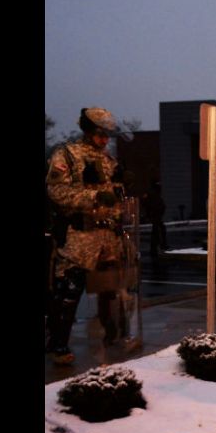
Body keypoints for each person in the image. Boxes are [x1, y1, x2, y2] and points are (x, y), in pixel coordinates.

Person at [45, 107, 127, 365]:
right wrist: (92, 197)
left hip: (106, 237)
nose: (104, 140)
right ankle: (59, 344)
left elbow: (114, 196)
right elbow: (57, 193)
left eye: (107, 136)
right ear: (88, 131)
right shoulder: (67, 155)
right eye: (100, 135)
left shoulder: (108, 160)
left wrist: (120, 198)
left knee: (109, 290)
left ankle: (113, 335)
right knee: (69, 291)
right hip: (79, 237)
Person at [142, 181, 168, 257]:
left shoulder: (155, 196)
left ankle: (158, 246)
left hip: (156, 215)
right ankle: (158, 246)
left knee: (158, 230)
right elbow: (147, 204)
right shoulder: (152, 196)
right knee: (157, 231)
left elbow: (161, 206)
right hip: (155, 215)